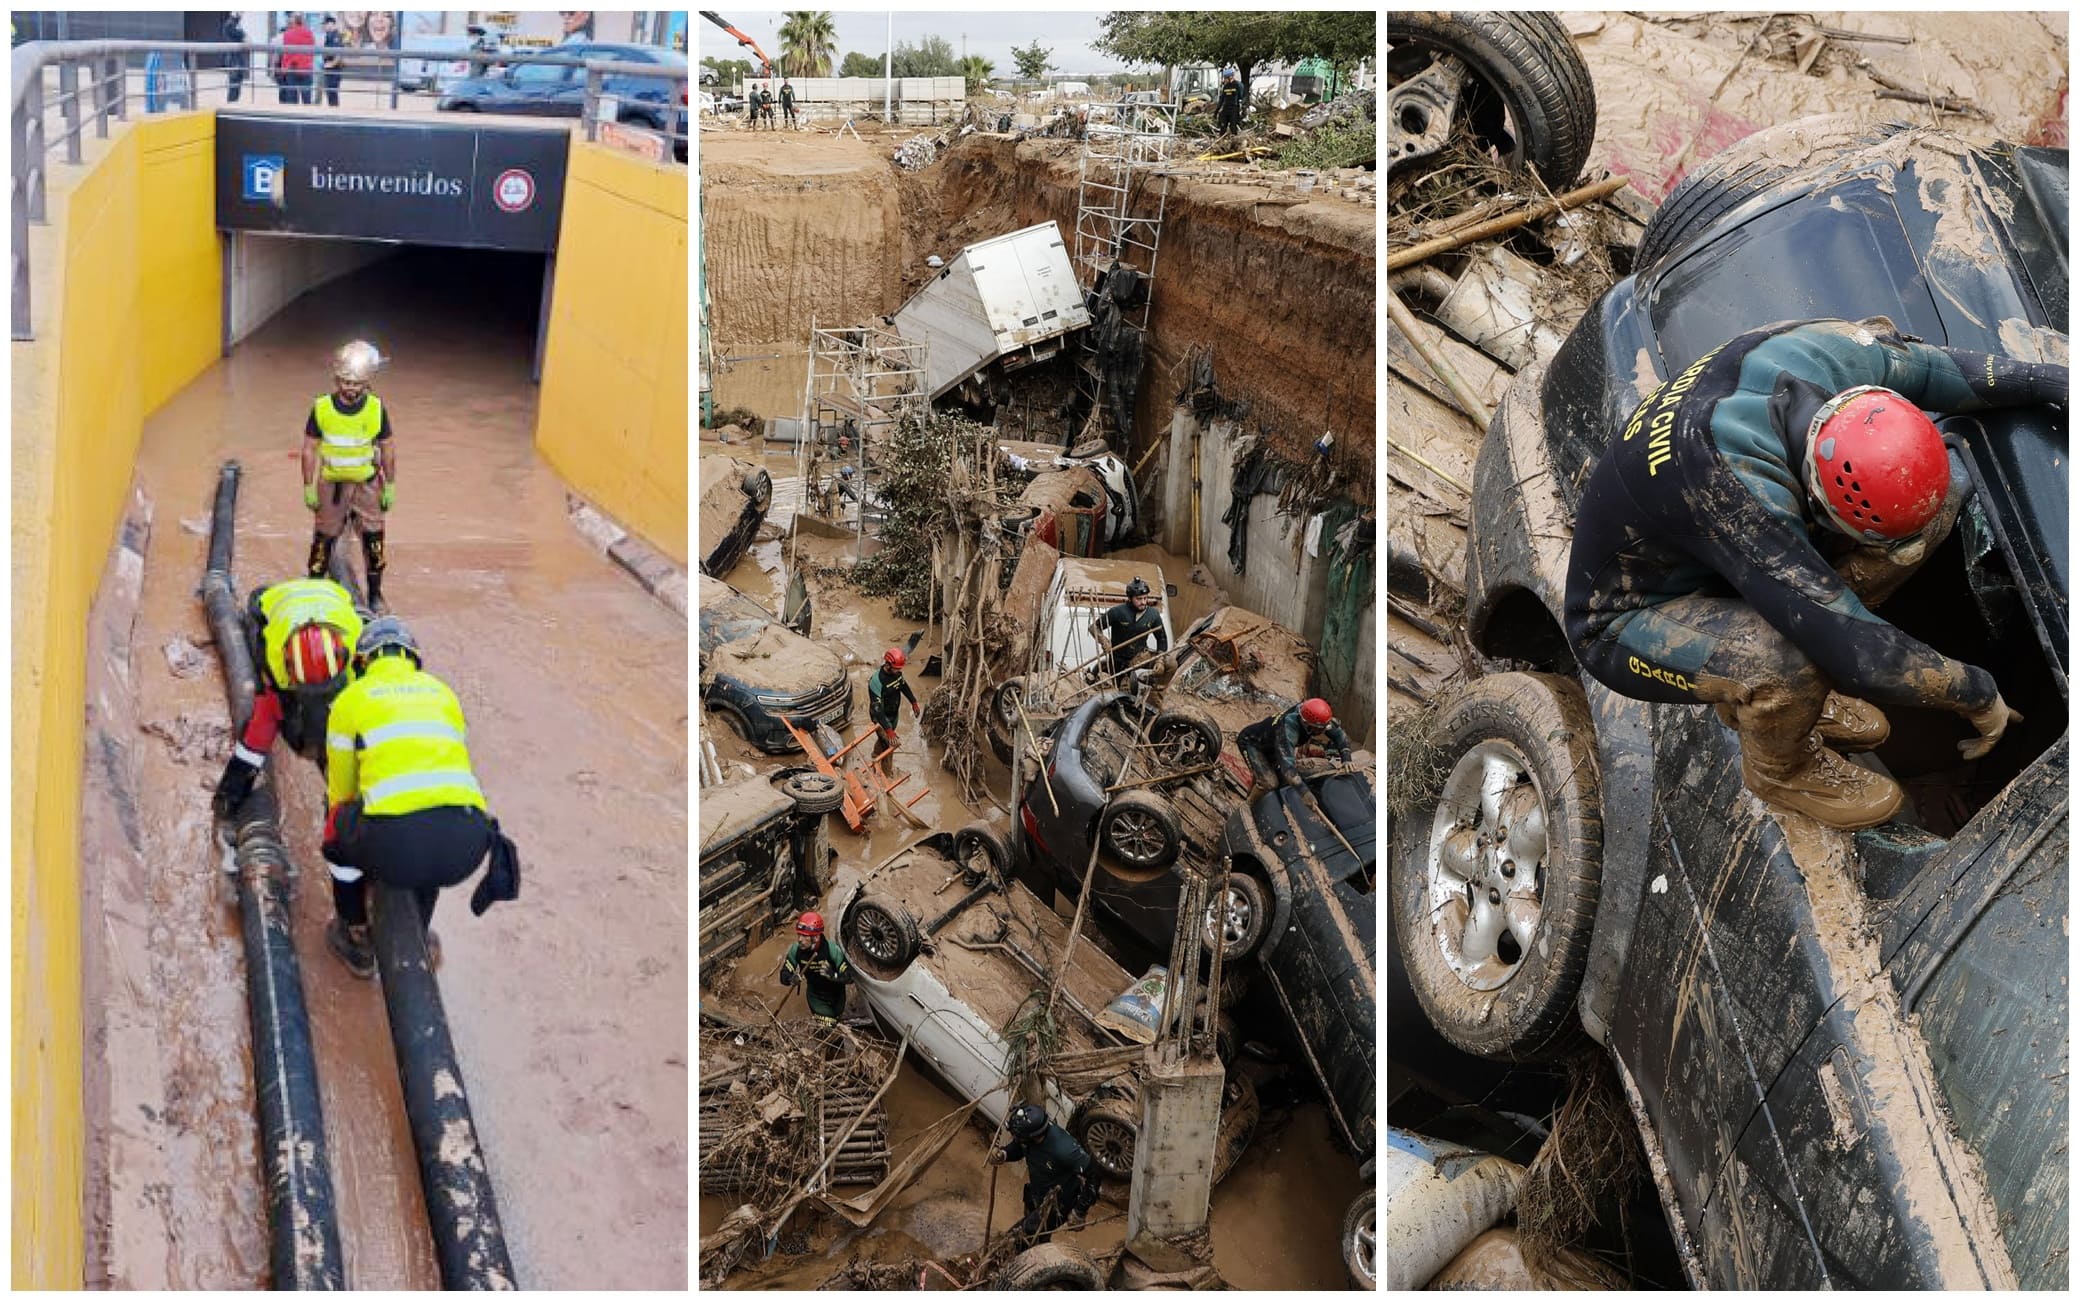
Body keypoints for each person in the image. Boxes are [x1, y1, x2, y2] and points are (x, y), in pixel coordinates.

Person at [1564, 317, 2067, 829]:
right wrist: (1977, 693)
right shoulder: (1738, 492)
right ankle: (1782, 766)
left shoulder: (1836, 357)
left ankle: (1789, 685)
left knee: (1925, 521)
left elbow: (1940, 371)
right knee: (1788, 661)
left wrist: (2049, 381)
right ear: (1819, 497)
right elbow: (1860, 656)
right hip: (1627, 618)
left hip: (1699, 544)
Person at [320, 617, 515, 977]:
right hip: (467, 845)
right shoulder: (443, 693)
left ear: (363, 662)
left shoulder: (350, 699)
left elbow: (341, 792)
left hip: (398, 845)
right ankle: (419, 935)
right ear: (412, 658)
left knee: (335, 837)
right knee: (433, 826)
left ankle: (354, 933)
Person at [211, 577, 363, 820]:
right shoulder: (274, 659)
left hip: (332, 594)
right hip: (272, 599)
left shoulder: (358, 648)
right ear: (290, 672)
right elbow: (263, 725)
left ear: (344, 660)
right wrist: (231, 790)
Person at [303, 340, 397, 612]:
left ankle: (375, 596)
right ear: (336, 379)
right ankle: (313, 592)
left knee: (374, 542)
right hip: (331, 486)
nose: (350, 388)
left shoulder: (376, 409)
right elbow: (309, 448)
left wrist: (390, 485)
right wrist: (308, 486)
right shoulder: (321, 408)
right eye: (345, 382)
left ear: (367, 383)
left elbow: (388, 448)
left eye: (356, 384)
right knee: (323, 540)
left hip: (367, 485)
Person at [987, 1103, 1100, 1244]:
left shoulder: (1065, 1150)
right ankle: (1040, 1246)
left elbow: (1094, 1174)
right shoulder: (1029, 1138)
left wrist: (1080, 1211)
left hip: (1057, 1203)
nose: (1017, 1139)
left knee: (1015, 1240)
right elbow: (1019, 1147)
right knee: (1035, 1235)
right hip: (1037, 1192)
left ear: (1033, 1137)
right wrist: (1004, 1154)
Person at [1238, 697, 1353, 791]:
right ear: (1307, 724)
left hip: (1272, 744)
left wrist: (1346, 758)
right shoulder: (1288, 730)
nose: (1323, 732)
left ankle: (1256, 786)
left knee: (1267, 774)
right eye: (1319, 729)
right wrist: (1305, 793)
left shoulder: (1316, 717)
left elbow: (1339, 735)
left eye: (1324, 727)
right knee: (1269, 783)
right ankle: (1248, 807)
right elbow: (1288, 768)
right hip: (1252, 743)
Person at [778, 911, 852, 1023]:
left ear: (816, 937)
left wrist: (833, 975)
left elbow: (849, 977)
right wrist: (792, 979)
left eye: (804, 936)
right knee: (828, 1026)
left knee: (837, 1020)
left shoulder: (832, 950)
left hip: (837, 995)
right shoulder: (796, 950)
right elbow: (783, 976)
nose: (799, 939)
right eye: (799, 934)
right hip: (816, 997)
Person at [1093, 576, 1167, 683]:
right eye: (1139, 599)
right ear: (1130, 598)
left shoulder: (1153, 614)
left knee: (1171, 664)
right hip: (1118, 659)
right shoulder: (1117, 612)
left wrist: (1160, 660)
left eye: (1145, 598)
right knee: (1118, 687)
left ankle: (1155, 688)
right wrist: (1104, 641)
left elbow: (1162, 639)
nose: (1143, 602)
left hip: (1141, 656)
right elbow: (1094, 627)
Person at [866, 647, 921, 762]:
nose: (899, 671)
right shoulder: (876, 681)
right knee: (890, 745)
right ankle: (886, 772)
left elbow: (904, 686)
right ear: (888, 665)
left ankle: (875, 754)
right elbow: (877, 709)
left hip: (893, 714)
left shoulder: (897, 674)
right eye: (896, 669)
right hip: (880, 717)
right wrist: (888, 730)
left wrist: (913, 702)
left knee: (883, 741)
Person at [278, 13, 316, 104]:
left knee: (292, 96)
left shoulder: (287, 34)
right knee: (306, 96)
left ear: (293, 21)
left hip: (292, 67)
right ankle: (307, 115)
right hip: (306, 67)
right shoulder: (309, 33)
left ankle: (293, 116)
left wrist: (283, 68)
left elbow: (286, 53)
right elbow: (312, 50)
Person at [221, 12, 248, 102]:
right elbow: (244, 36)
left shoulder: (234, 24)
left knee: (237, 82)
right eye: (241, 12)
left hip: (236, 57)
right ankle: (232, 102)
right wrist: (244, 35)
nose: (242, 14)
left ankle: (234, 101)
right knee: (234, 81)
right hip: (233, 58)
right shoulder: (230, 24)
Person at [319, 15, 345, 107]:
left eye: (325, 24)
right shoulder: (329, 36)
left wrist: (331, 64)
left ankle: (334, 111)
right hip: (330, 68)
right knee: (330, 92)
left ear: (331, 24)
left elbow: (339, 53)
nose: (324, 26)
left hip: (334, 69)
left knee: (332, 92)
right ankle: (333, 109)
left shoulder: (335, 36)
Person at [1214, 67, 1244, 135]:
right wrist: (1216, 111)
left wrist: (1242, 109)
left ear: (1230, 77)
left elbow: (1241, 97)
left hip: (1234, 109)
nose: (1224, 80)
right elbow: (1221, 100)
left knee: (1233, 128)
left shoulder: (1238, 85)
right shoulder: (1225, 86)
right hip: (1226, 108)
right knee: (1222, 126)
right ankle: (1222, 141)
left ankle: (1234, 142)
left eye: (1225, 78)